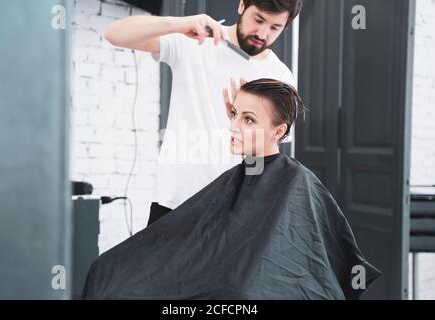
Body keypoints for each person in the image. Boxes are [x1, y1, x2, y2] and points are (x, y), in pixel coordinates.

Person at [82, 79, 382, 300]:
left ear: (278, 131)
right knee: (104, 271)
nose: (234, 126)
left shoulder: (295, 182)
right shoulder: (239, 175)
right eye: (234, 114)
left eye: (248, 119)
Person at [104, 0, 304, 225]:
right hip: (174, 202)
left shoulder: (281, 77)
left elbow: (268, 155)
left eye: (275, 27)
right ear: (241, 6)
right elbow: (114, 34)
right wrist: (178, 24)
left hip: (233, 210)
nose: (263, 33)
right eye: (258, 19)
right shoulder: (195, 41)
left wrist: (242, 121)